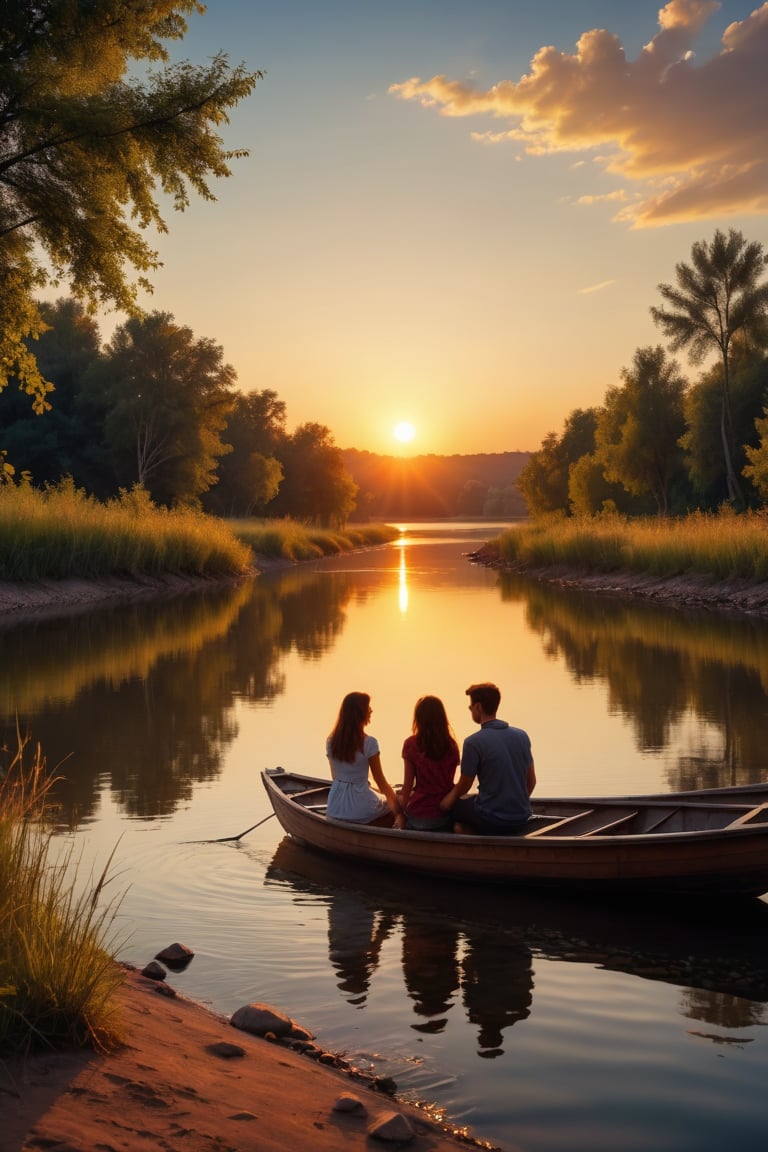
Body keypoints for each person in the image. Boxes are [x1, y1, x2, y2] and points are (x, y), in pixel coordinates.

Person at [439, 682, 536, 834]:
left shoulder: (473, 743)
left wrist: (445, 804)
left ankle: (463, 835)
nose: (470, 710)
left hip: (491, 819)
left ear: (478, 707)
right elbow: (531, 782)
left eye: (470, 707)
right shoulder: (522, 736)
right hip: (521, 817)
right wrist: (514, 807)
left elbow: (463, 786)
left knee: (455, 807)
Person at [326, 691, 404, 827]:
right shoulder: (369, 743)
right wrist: (398, 812)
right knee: (403, 801)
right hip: (361, 808)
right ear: (360, 713)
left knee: (384, 798)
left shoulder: (331, 741)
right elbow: (380, 781)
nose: (371, 710)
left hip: (335, 807)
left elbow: (335, 777)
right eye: (368, 707)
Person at [399, 695, 459, 831]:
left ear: (419, 718)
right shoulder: (452, 746)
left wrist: (399, 813)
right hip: (443, 817)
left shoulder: (411, 744)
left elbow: (407, 787)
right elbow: (448, 782)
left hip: (417, 816)